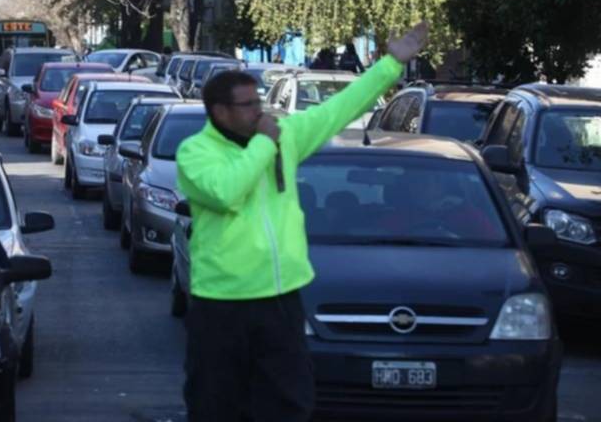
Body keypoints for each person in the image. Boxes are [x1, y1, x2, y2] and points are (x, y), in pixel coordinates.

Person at [176, 21, 429, 422]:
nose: (259, 111)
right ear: (220, 112)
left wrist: (390, 65)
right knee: (216, 405)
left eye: (259, 102)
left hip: (280, 300)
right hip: (222, 303)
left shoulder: (285, 136)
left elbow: (339, 109)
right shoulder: (196, 152)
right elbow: (226, 191)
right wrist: (265, 142)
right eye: (248, 106)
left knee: (289, 403)